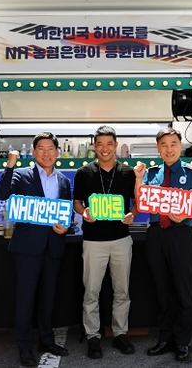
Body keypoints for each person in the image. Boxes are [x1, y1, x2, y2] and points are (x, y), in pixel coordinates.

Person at [133, 127, 192, 362]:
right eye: (164, 145)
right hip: (157, 235)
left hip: (181, 235)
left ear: (180, 146)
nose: (169, 149)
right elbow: (141, 202)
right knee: (162, 289)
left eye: (173, 144)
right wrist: (138, 179)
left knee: (183, 289)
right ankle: (164, 338)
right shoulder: (151, 173)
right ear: (158, 149)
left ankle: (183, 341)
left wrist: (188, 213)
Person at [0, 132, 72, 367]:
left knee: (48, 299)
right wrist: (10, 165)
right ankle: (25, 347)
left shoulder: (63, 180)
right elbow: (2, 194)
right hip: (28, 247)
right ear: (34, 152)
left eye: (50, 149)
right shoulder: (21, 175)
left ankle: (47, 341)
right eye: (41, 148)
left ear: (57, 152)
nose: (46, 153)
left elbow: (67, 212)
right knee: (26, 299)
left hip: (54, 246)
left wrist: (66, 226)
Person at [73, 125, 138, 359]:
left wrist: (132, 215)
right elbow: (77, 202)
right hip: (93, 241)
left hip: (121, 239)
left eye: (109, 143)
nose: (104, 148)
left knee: (122, 291)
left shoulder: (128, 173)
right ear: (94, 146)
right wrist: (84, 212)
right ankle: (93, 335)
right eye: (100, 144)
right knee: (91, 291)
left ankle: (120, 333)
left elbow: (137, 203)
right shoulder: (83, 172)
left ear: (116, 145)